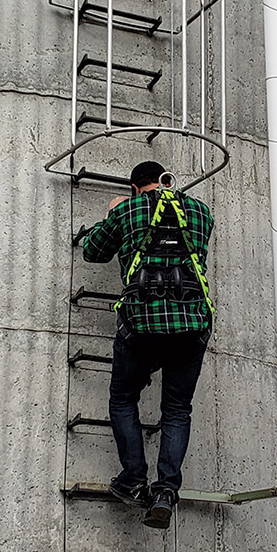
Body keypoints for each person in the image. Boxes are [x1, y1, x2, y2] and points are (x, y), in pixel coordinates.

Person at [81, 160, 214, 529]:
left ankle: (133, 480)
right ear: (163, 180)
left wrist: (111, 213)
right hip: (191, 326)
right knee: (176, 409)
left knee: (124, 398)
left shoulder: (128, 209)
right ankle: (165, 491)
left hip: (141, 325)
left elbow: (93, 252)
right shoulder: (200, 212)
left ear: (136, 185)